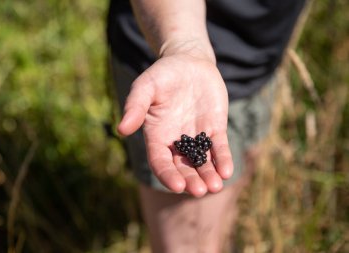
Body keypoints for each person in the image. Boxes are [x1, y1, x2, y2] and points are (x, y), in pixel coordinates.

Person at [107, 0, 305, 252]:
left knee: (225, 214)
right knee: (192, 243)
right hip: (172, 63)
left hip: (260, 65)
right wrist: (184, 48)